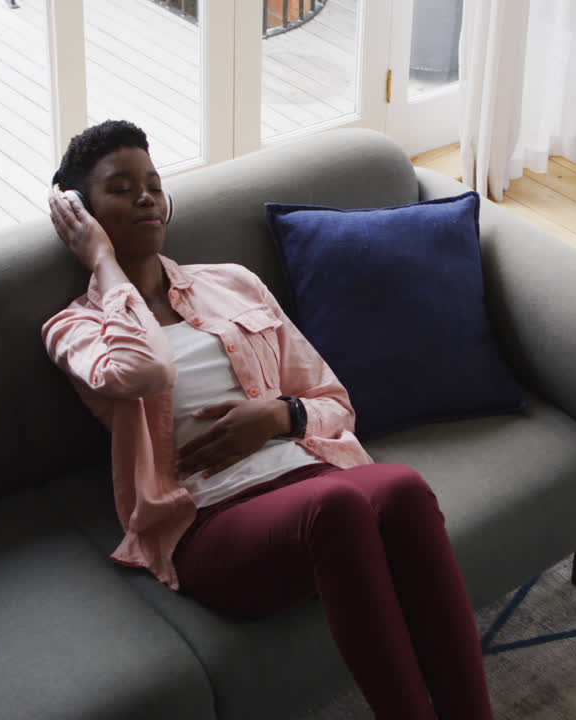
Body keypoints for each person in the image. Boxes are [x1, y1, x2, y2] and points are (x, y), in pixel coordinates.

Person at [41, 120, 495, 720]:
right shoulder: (75, 328)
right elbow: (142, 369)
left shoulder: (232, 284)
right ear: (82, 212)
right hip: (209, 523)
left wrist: (279, 416)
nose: (146, 196)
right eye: (121, 188)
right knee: (337, 511)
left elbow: (335, 402)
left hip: (313, 479)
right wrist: (104, 264)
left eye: (153, 183)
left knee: (403, 487)